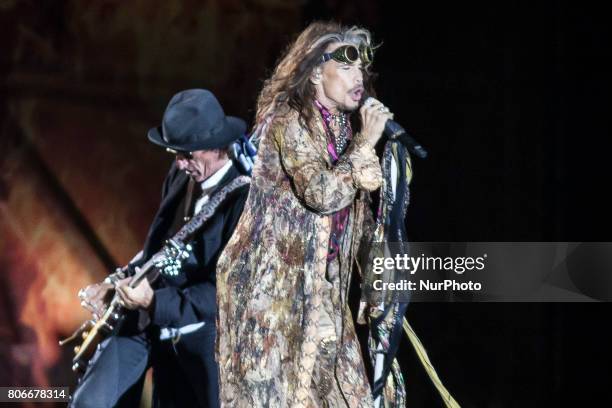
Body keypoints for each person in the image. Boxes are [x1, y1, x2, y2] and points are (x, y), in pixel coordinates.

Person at [216, 22, 393, 407]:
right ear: (315, 73)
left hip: (324, 297)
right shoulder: (286, 121)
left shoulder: (346, 133)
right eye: (345, 66)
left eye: (361, 67)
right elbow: (322, 194)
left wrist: (377, 281)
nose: (357, 76)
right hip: (273, 302)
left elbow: (358, 222)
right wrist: (366, 143)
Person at [71, 89, 250, 408]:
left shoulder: (244, 200)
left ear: (213, 146)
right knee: (89, 403)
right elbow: (157, 247)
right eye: (175, 153)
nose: (179, 163)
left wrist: (156, 303)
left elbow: (224, 293)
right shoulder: (181, 175)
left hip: (200, 334)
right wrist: (116, 281)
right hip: (145, 318)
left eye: (187, 154)